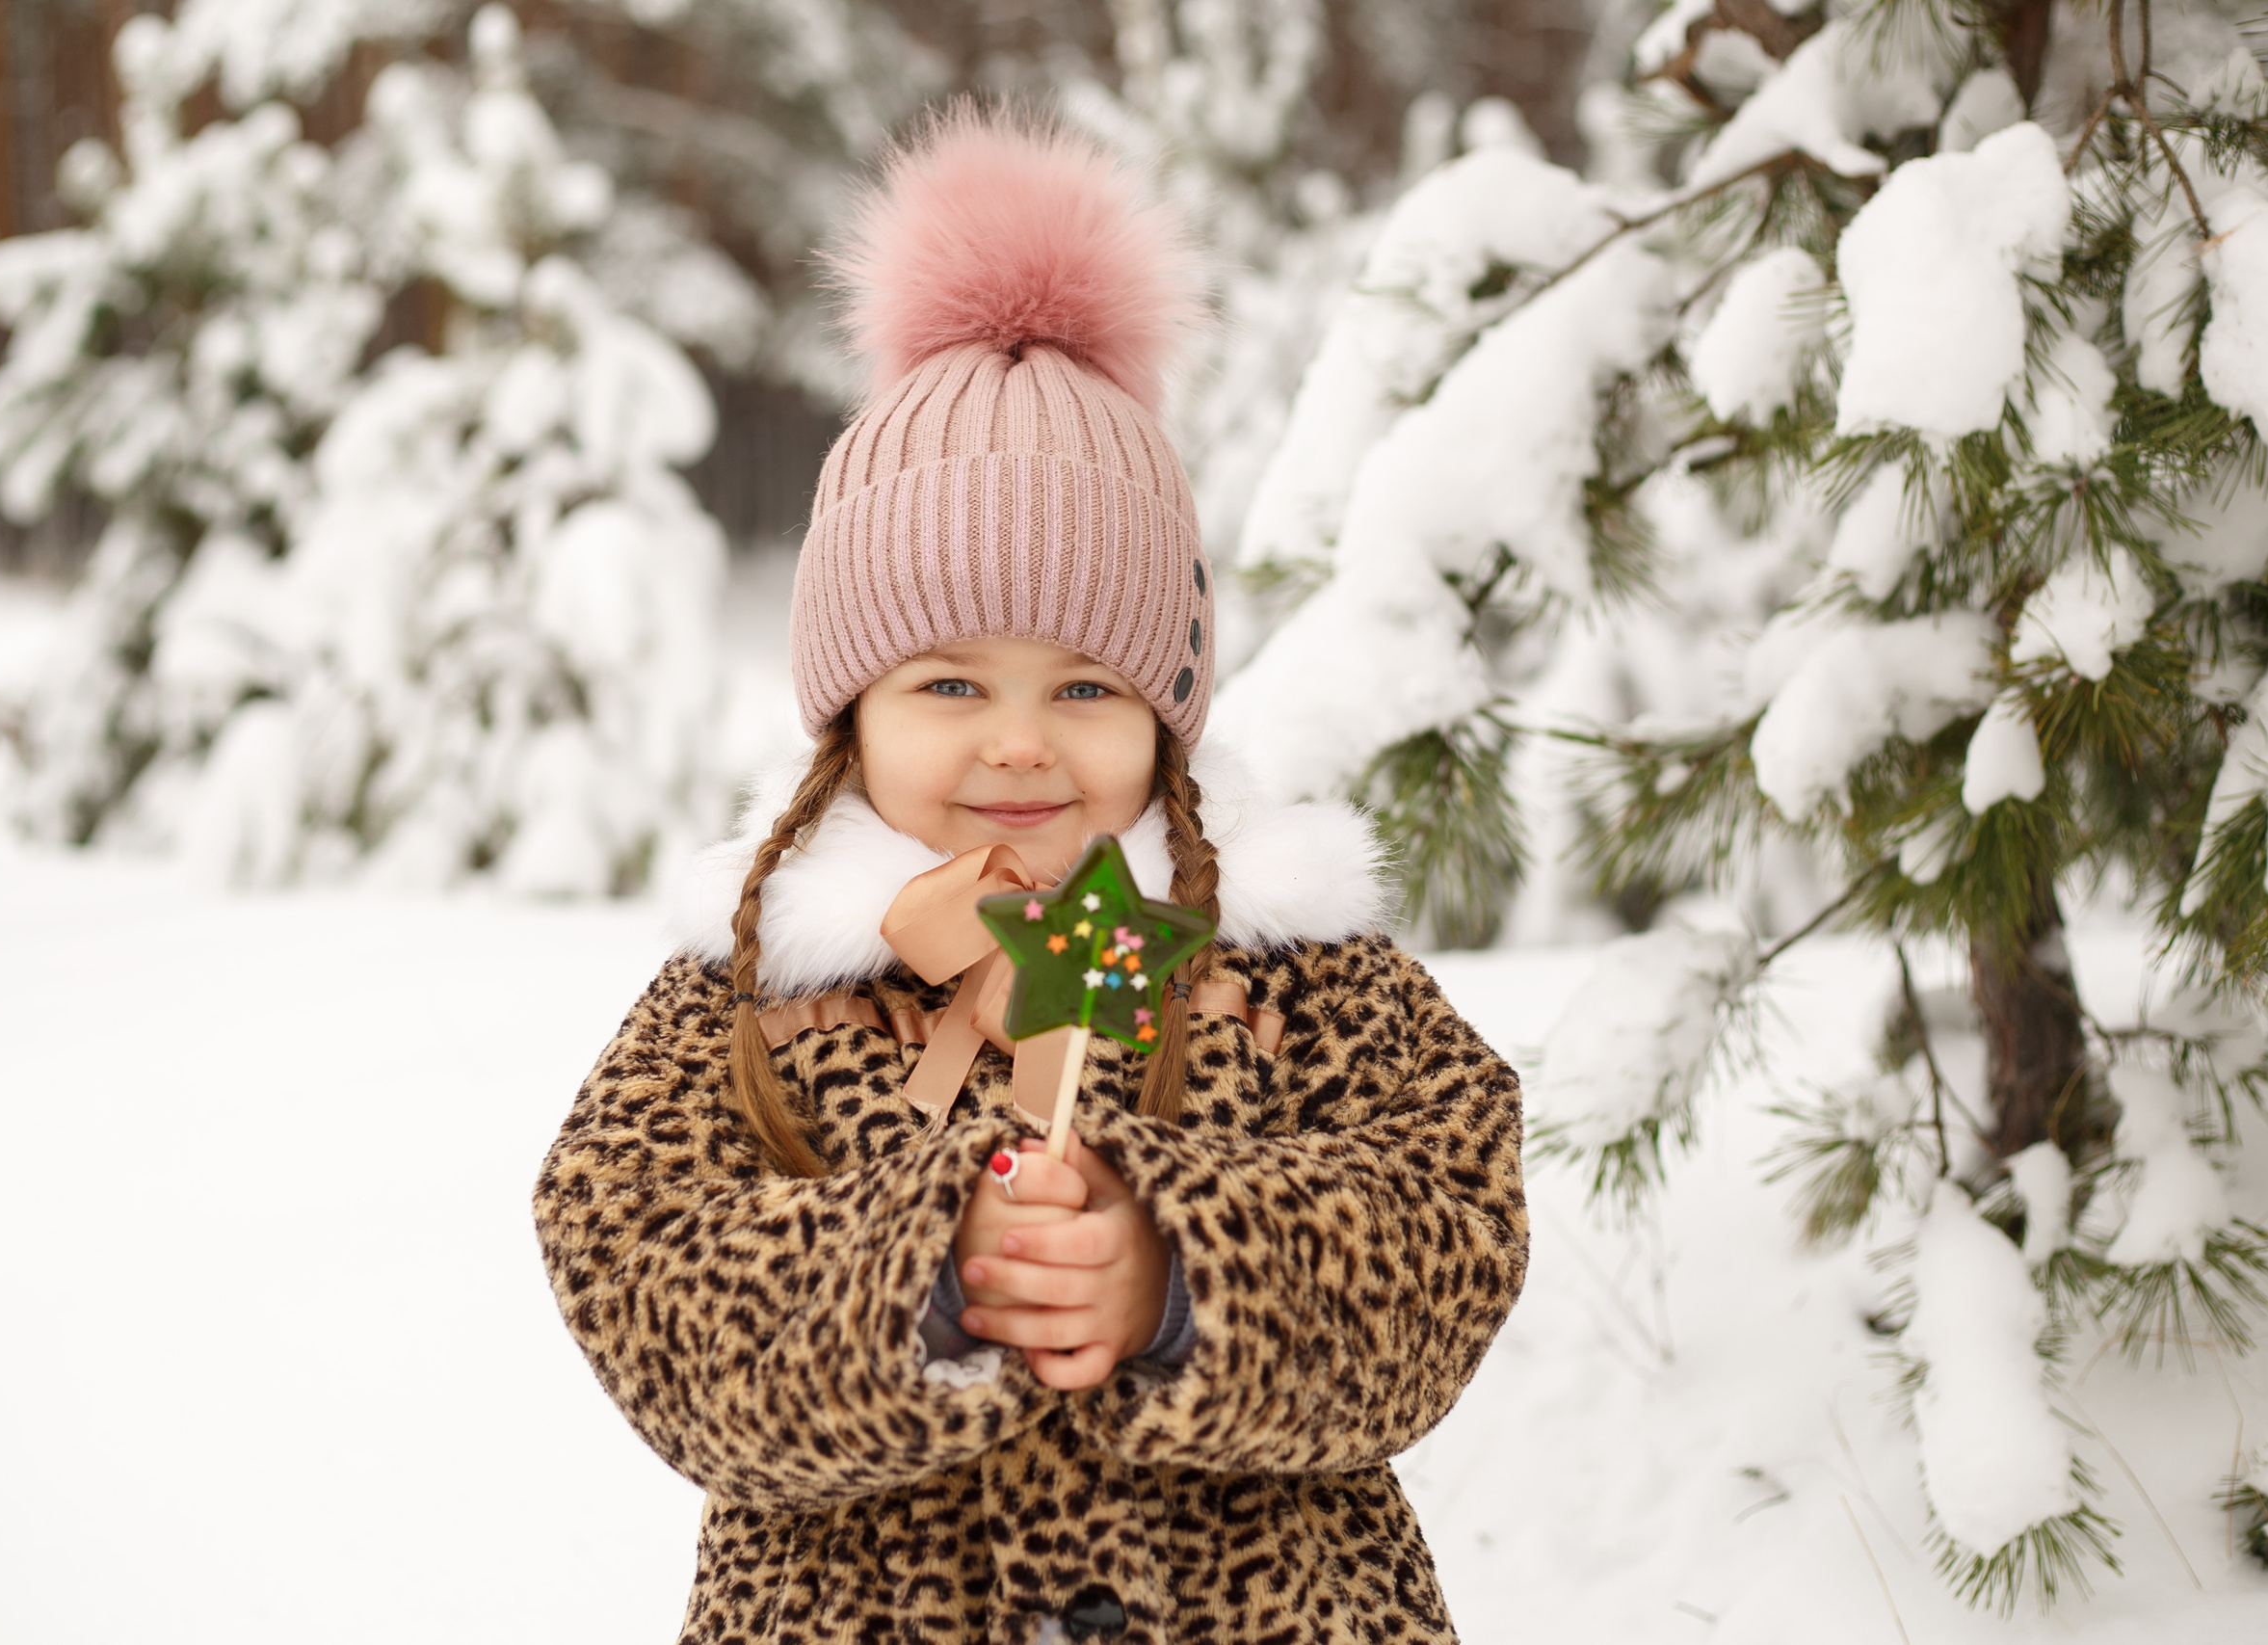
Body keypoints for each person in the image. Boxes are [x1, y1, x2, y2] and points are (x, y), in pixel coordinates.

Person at [532, 104, 1528, 1645]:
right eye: (947, 687)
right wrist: (914, 1281)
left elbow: (1447, 1215)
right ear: (847, 705)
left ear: (1166, 710)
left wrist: (1179, 1269)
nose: (1018, 748)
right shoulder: (757, 1001)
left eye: (1084, 690)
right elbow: (641, 1269)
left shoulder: (1283, 966)